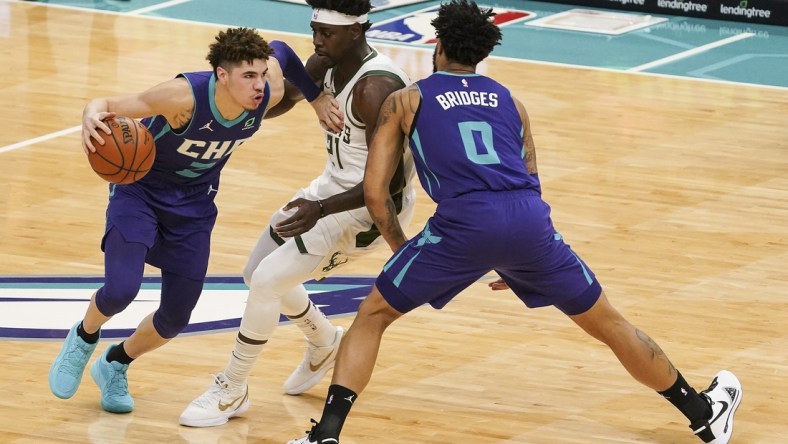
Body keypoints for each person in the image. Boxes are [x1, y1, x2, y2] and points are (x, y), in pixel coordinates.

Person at [288, 1, 743, 444]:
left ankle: (325, 436)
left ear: (439, 44)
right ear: (481, 51)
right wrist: (515, 259)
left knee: (373, 315)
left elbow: (375, 192)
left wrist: (401, 247)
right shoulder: (511, 101)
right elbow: (530, 181)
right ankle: (703, 414)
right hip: (529, 226)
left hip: (464, 223)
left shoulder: (406, 100)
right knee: (611, 324)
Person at [48, 27, 343, 414]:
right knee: (121, 289)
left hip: (195, 205)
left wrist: (316, 96)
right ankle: (84, 337)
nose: (260, 85)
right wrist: (90, 114)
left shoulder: (267, 87)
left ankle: (115, 363)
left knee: (176, 317)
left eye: (261, 74)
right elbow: (109, 102)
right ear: (222, 75)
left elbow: (284, 53)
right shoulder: (183, 96)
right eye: (248, 76)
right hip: (142, 192)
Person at [178, 0, 417, 428]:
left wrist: (321, 209)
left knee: (269, 283)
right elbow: (280, 97)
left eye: (327, 33)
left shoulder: (375, 88)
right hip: (328, 192)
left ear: (356, 33)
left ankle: (232, 388)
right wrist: (230, 99)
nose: (317, 39)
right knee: (256, 274)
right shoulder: (327, 63)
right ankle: (324, 340)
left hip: (366, 212)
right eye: (315, 29)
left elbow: (389, 186)